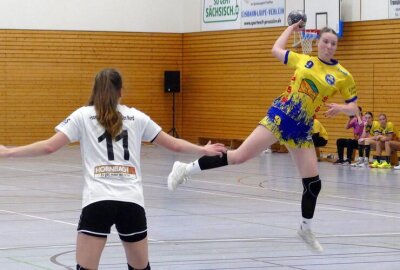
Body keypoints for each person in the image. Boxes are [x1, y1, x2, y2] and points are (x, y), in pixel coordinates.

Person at [0, 68, 226, 270]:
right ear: (121, 91)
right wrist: (202, 149)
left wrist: (9, 152)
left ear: (95, 90)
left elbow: (49, 147)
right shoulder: (137, 117)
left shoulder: (82, 116)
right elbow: (173, 144)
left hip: (97, 201)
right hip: (132, 203)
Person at [167, 22, 359, 253]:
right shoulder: (302, 59)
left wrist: (342, 108)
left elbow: (354, 108)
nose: (329, 46)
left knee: (313, 184)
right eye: (325, 41)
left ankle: (305, 229)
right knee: (239, 157)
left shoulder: (343, 75)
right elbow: (276, 49)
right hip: (281, 115)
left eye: (333, 43)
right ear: (318, 42)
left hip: (301, 128)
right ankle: (185, 170)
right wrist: (291, 28)